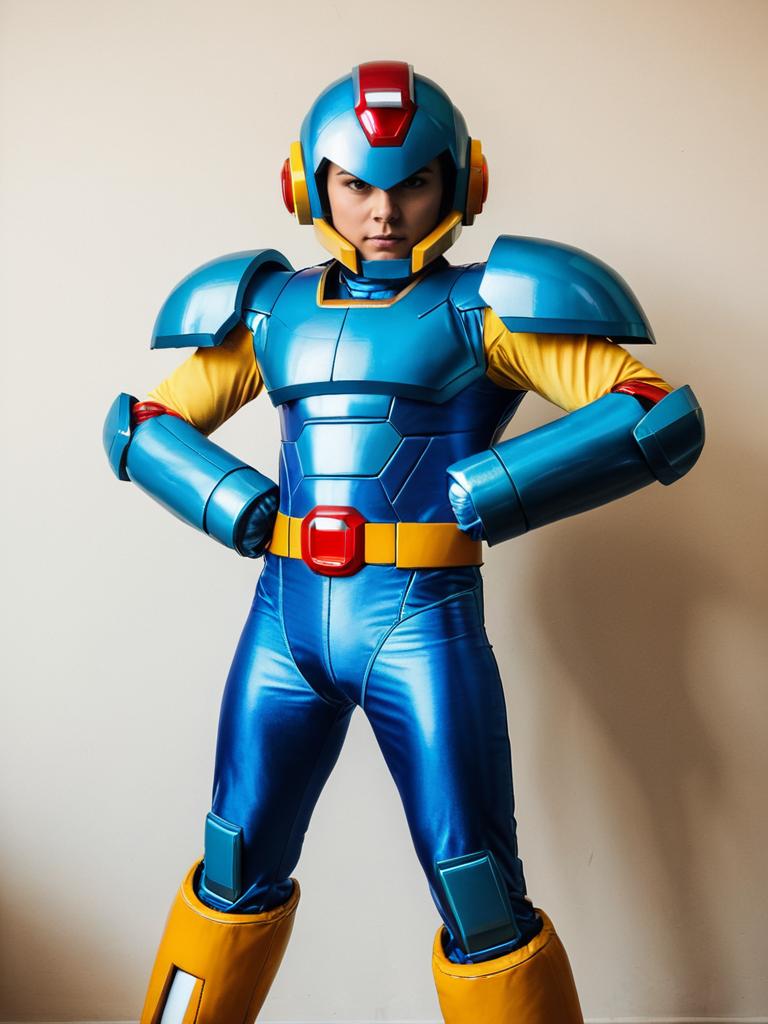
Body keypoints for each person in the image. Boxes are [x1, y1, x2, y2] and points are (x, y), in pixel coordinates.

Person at [104, 61, 704, 1024]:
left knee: (479, 894)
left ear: (460, 182)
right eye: (356, 184)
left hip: (420, 630)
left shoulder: (484, 307)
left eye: (413, 182)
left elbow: (654, 414)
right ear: (308, 184)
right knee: (231, 869)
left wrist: (496, 486)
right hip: (282, 628)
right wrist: (229, 499)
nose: (383, 211)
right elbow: (137, 426)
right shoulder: (271, 308)